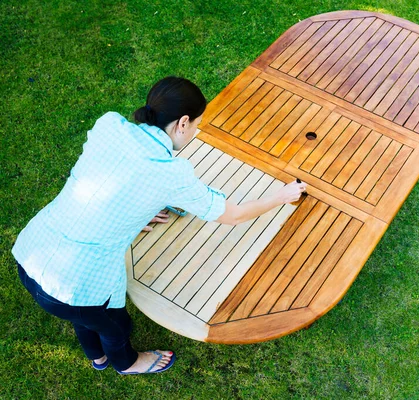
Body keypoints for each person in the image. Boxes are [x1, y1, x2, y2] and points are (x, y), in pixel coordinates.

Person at [12, 76, 307, 375]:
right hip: (73, 283)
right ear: (182, 123)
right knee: (115, 325)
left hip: (31, 253)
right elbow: (234, 215)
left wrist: (137, 209)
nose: (196, 131)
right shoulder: (171, 174)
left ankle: (97, 358)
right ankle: (125, 363)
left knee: (86, 316)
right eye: (196, 124)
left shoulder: (109, 125)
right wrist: (282, 196)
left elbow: (107, 177)